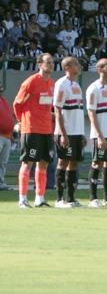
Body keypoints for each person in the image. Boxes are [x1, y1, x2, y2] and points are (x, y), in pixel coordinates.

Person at [13, 53, 55, 208]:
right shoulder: (31, 82)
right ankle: (22, 199)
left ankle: (40, 197)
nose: (51, 65)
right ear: (39, 64)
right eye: (48, 62)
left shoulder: (52, 83)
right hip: (31, 128)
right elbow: (17, 103)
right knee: (27, 163)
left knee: (43, 164)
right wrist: (20, 120)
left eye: (52, 63)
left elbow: (48, 106)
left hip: (46, 129)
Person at [86, 58, 107, 207]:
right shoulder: (93, 88)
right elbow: (91, 112)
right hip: (100, 134)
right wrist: (99, 135)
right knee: (97, 163)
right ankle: (93, 198)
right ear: (100, 69)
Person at [53, 56, 85, 208]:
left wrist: (82, 133)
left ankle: (71, 198)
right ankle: (60, 199)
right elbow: (57, 110)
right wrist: (63, 134)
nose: (78, 66)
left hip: (77, 132)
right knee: (63, 162)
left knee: (74, 163)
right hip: (66, 131)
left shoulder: (77, 86)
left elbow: (78, 111)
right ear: (67, 68)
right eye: (75, 64)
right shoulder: (61, 84)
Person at [0, 82, 16, 191]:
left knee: (3, 163)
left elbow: (10, 116)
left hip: (6, 136)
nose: (1, 91)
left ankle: (1, 183)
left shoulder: (3, 101)